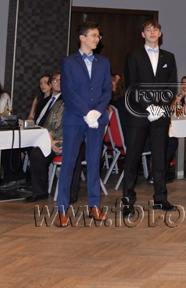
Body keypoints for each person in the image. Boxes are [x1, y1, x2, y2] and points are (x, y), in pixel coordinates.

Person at [55, 22, 111, 227]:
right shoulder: (69, 62)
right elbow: (68, 91)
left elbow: (107, 90)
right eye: (94, 35)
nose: (97, 39)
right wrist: (86, 113)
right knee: (69, 163)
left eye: (98, 36)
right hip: (75, 118)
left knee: (95, 162)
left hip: (97, 119)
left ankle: (94, 206)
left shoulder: (103, 62)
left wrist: (97, 112)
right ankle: (62, 209)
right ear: (82, 38)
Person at [121, 20, 177, 217]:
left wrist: (160, 108)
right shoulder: (133, 56)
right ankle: (128, 201)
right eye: (148, 29)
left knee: (160, 158)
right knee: (132, 159)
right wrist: (149, 107)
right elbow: (132, 86)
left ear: (160, 33)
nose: (152, 32)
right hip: (139, 113)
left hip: (161, 115)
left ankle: (160, 198)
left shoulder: (169, 57)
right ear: (142, 34)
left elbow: (171, 86)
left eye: (155, 29)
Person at [24, 72, 83, 203]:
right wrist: (50, 142)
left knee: (74, 153)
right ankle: (40, 192)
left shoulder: (77, 102)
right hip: (53, 140)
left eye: (62, 80)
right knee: (37, 154)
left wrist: (66, 142)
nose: (59, 83)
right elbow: (48, 125)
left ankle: (71, 193)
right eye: (55, 80)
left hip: (74, 140)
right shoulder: (54, 103)